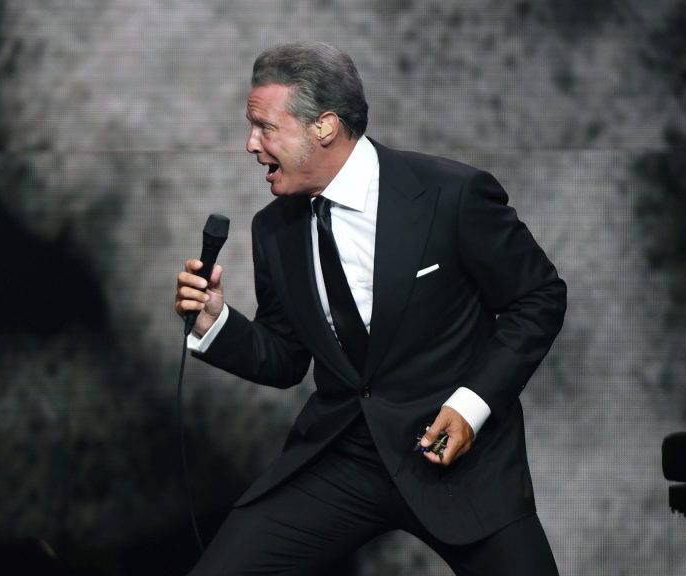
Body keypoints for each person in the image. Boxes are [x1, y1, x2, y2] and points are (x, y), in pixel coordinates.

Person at [174, 41, 566, 575]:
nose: (251, 144)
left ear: (324, 127)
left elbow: (538, 298)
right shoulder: (273, 229)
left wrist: (472, 406)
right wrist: (214, 323)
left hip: (456, 455)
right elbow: (286, 358)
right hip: (343, 455)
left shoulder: (451, 195)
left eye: (265, 127)